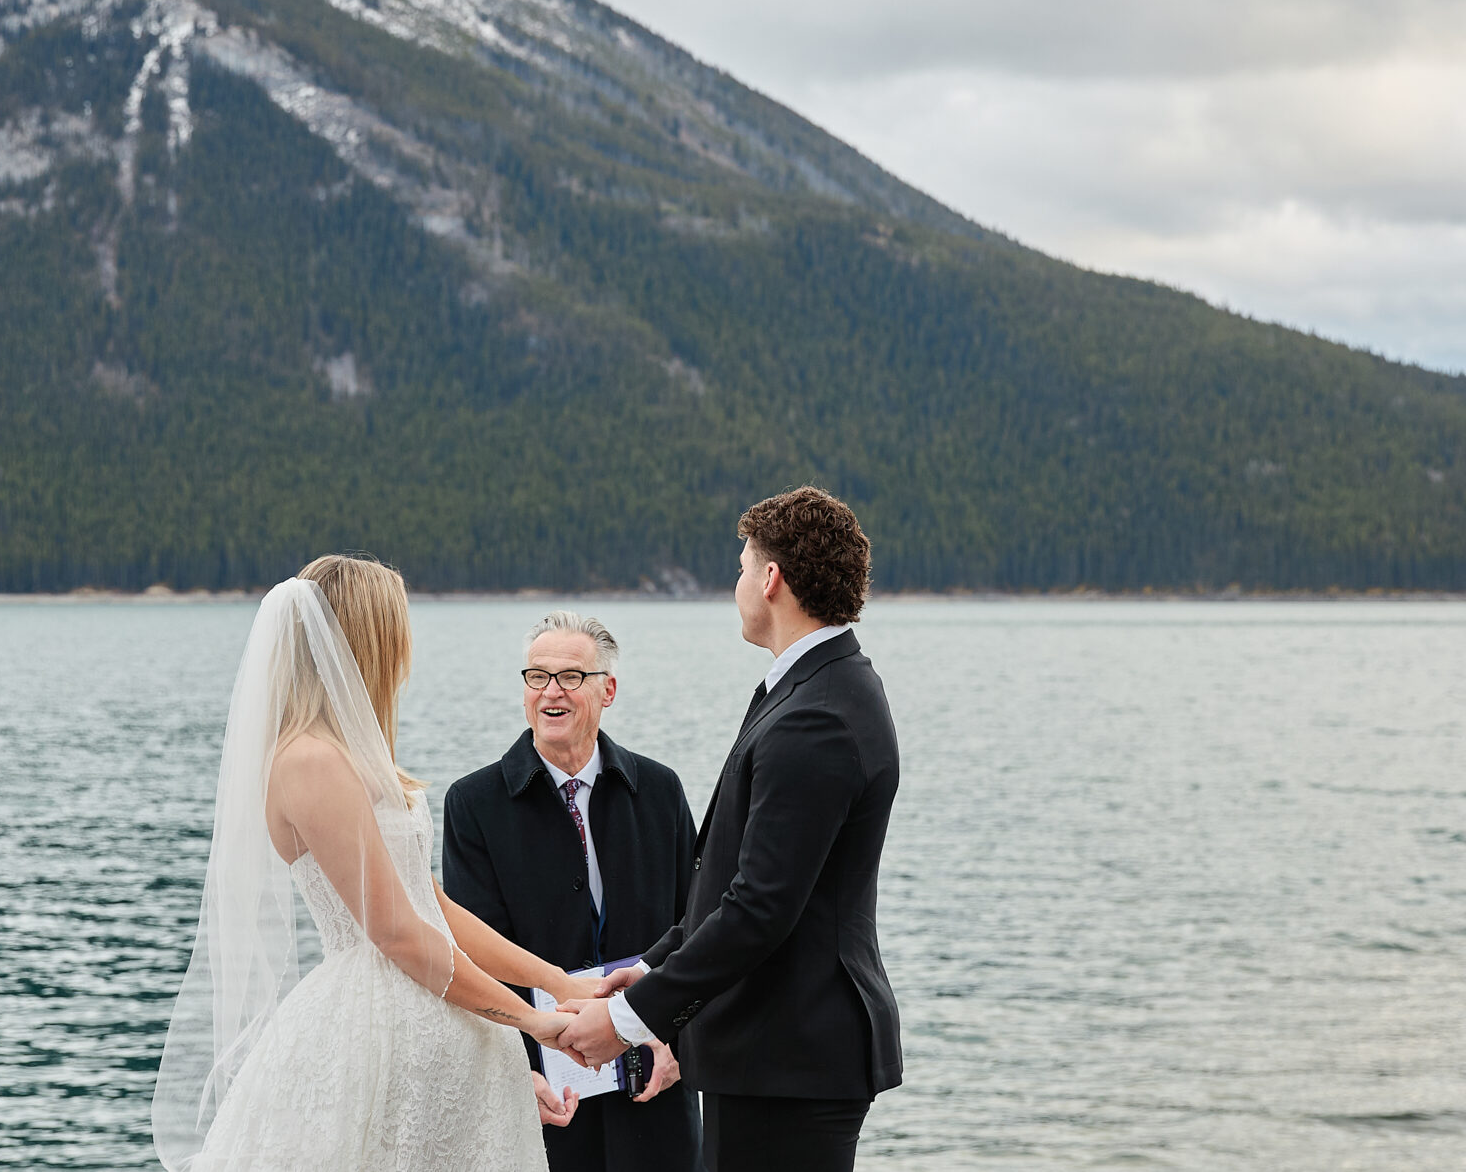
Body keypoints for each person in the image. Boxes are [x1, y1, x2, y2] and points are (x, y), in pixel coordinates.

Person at [153, 555, 602, 1171]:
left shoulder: (354, 755)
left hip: (431, 1019)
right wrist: (529, 1019)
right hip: (373, 1032)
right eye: (397, 628)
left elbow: (433, 906)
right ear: (366, 639)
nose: (406, 650)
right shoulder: (308, 761)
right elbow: (394, 931)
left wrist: (558, 984)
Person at [558, 488, 903, 1172]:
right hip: (773, 1053)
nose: (738, 583)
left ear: (770, 579)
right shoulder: (812, 689)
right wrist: (647, 967)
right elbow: (731, 889)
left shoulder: (819, 715)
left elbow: (761, 908)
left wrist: (631, 1020)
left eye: (743, 566)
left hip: (793, 1058)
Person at [442, 612, 704, 1172]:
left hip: (653, 1082)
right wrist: (517, 1073)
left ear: (607, 690)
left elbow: (701, 929)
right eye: (537, 677)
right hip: (541, 1098)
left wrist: (683, 1051)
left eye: (570, 677)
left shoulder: (660, 790)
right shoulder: (474, 804)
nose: (551, 692)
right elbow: (471, 955)